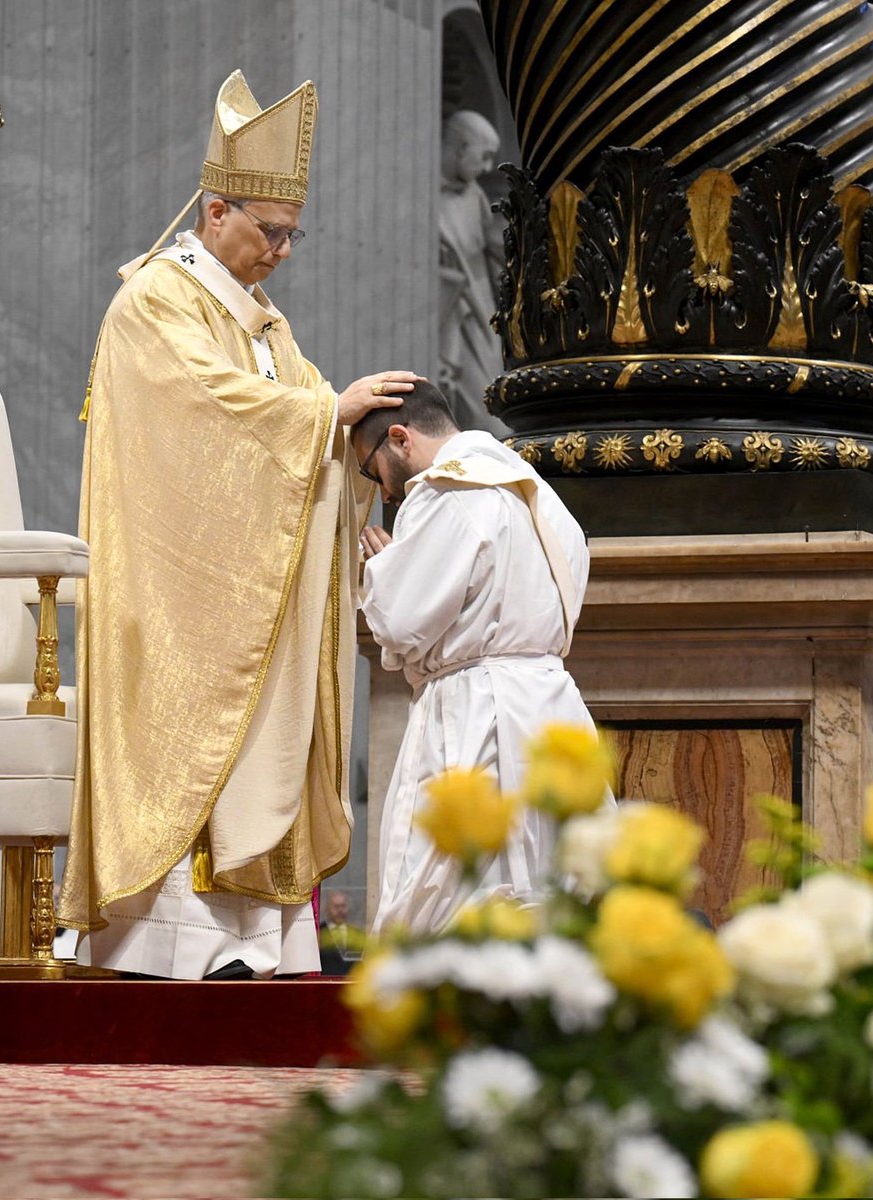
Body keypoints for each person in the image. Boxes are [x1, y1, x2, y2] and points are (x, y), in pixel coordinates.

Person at [57, 69, 418, 980]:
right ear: (216, 212)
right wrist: (324, 418)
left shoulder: (264, 323)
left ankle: (250, 944)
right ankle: (166, 941)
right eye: (271, 232)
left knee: (262, 729)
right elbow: (207, 411)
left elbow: (301, 412)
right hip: (177, 591)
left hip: (246, 588)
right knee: (195, 728)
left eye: (295, 235)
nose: (284, 253)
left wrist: (360, 453)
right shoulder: (156, 303)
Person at [355, 380, 612, 935]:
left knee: (450, 889)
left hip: (478, 709)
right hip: (552, 705)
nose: (384, 492)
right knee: (554, 879)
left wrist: (382, 570)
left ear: (399, 438)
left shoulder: (445, 493)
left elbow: (399, 621)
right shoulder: (540, 494)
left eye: (370, 471)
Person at [438, 110, 510, 438]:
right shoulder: (424, 196)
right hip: (453, 318)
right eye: (483, 157)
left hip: (482, 314)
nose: (484, 168)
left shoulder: (473, 194)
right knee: (484, 418)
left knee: (494, 403)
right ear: (461, 147)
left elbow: (493, 245)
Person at [318, 889, 362, 976]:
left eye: (343, 906)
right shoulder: (319, 933)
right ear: (327, 909)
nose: (340, 910)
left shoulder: (357, 934)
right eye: (336, 906)